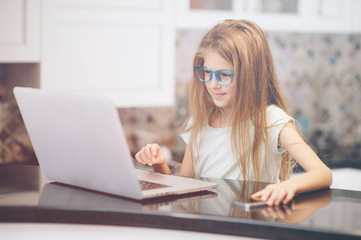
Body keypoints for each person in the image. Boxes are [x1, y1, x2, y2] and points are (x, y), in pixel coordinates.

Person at [135, 19, 332, 206]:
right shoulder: (199, 123)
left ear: (250, 76)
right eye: (207, 72)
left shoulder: (270, 121)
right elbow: (184, 188)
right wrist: (159, 165)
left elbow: (322, 173)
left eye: (224, 75)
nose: (213, 84)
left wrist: (289, 185)